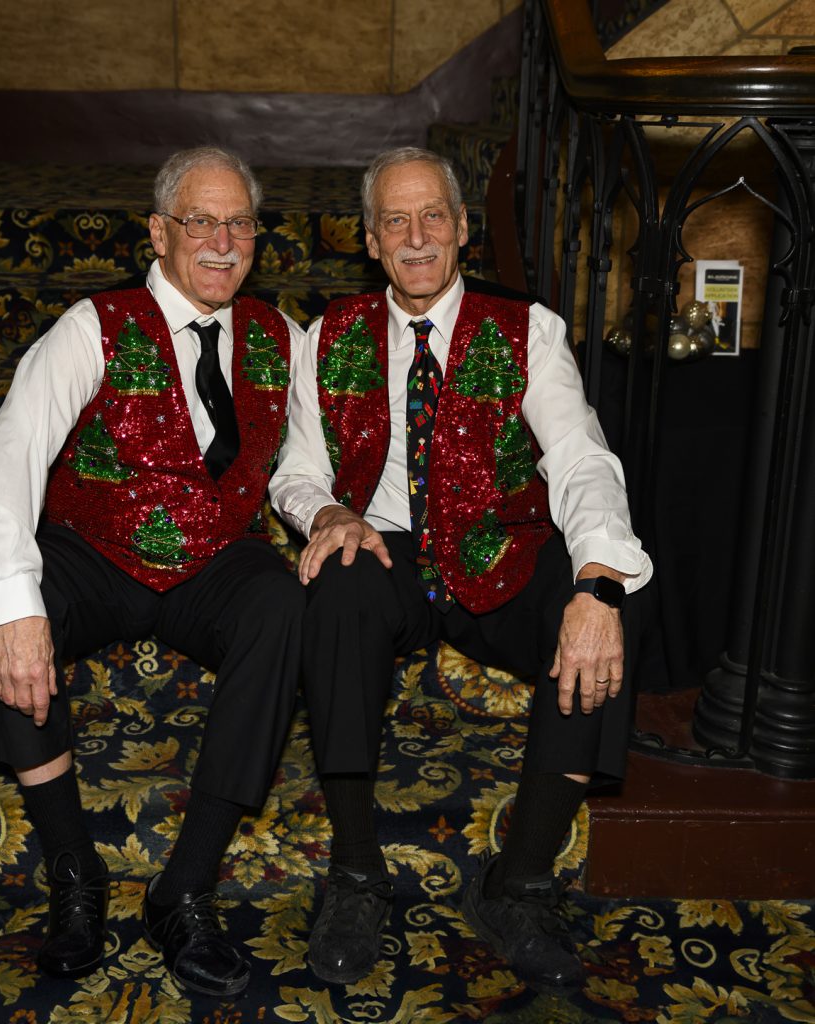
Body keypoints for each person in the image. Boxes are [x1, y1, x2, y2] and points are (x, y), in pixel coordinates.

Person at [269, 147, 652, 992]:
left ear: (463, 229)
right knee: (334, 583)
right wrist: (325, 512)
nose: (415, 238)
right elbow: (296, 468)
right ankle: (356, 872)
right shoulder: (326, 335)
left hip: (499, 543)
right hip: (391, 544)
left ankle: (518, 883)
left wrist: (595, 580)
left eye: (431, 217)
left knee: (612, 595)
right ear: (369, 240)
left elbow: (581, 458)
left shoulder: (529, 329)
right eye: (394, 222)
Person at [0, 147, 305, 997]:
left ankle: (183, 886)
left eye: (238, 224)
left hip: (213, 560)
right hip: (95, 554)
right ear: (158, 233)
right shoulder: (91, 325)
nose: (221, 243)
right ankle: (75, 874)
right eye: (200, 222)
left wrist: (325, 511)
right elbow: (8, 464)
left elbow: (305, 467)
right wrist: (15, 609)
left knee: (283, 603)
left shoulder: (280, 337)